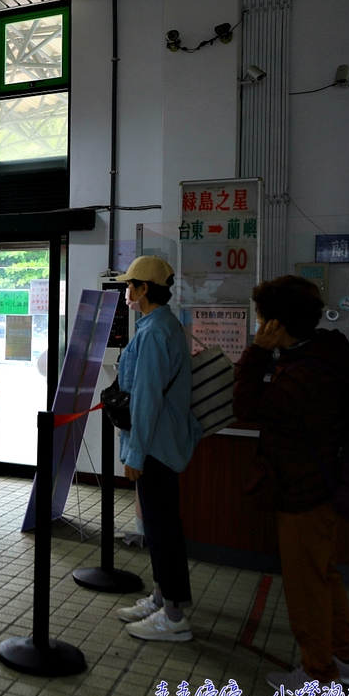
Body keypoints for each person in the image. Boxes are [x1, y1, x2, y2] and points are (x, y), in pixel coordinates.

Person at [232, 275, 349, 692]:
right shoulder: (327, 352)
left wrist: (257, 352)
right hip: (325, 485)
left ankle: (318, 675)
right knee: (323, 574)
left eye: (260, 318)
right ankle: (347, 660)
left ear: (274, 324)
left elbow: (247, 405)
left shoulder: (304, 373)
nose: (257, 325)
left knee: (307, 586)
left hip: (304, 491)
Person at [112, 256, 203, 641]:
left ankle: (174, 617)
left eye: (131, 285)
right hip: (163, 443)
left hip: (155, 448)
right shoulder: (163, 326)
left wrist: (135, 454)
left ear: (144, 289)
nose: (127, 292)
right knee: (162, 524)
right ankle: (163, 596)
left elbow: (145, 399)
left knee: (162, 528)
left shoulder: (153, 333)